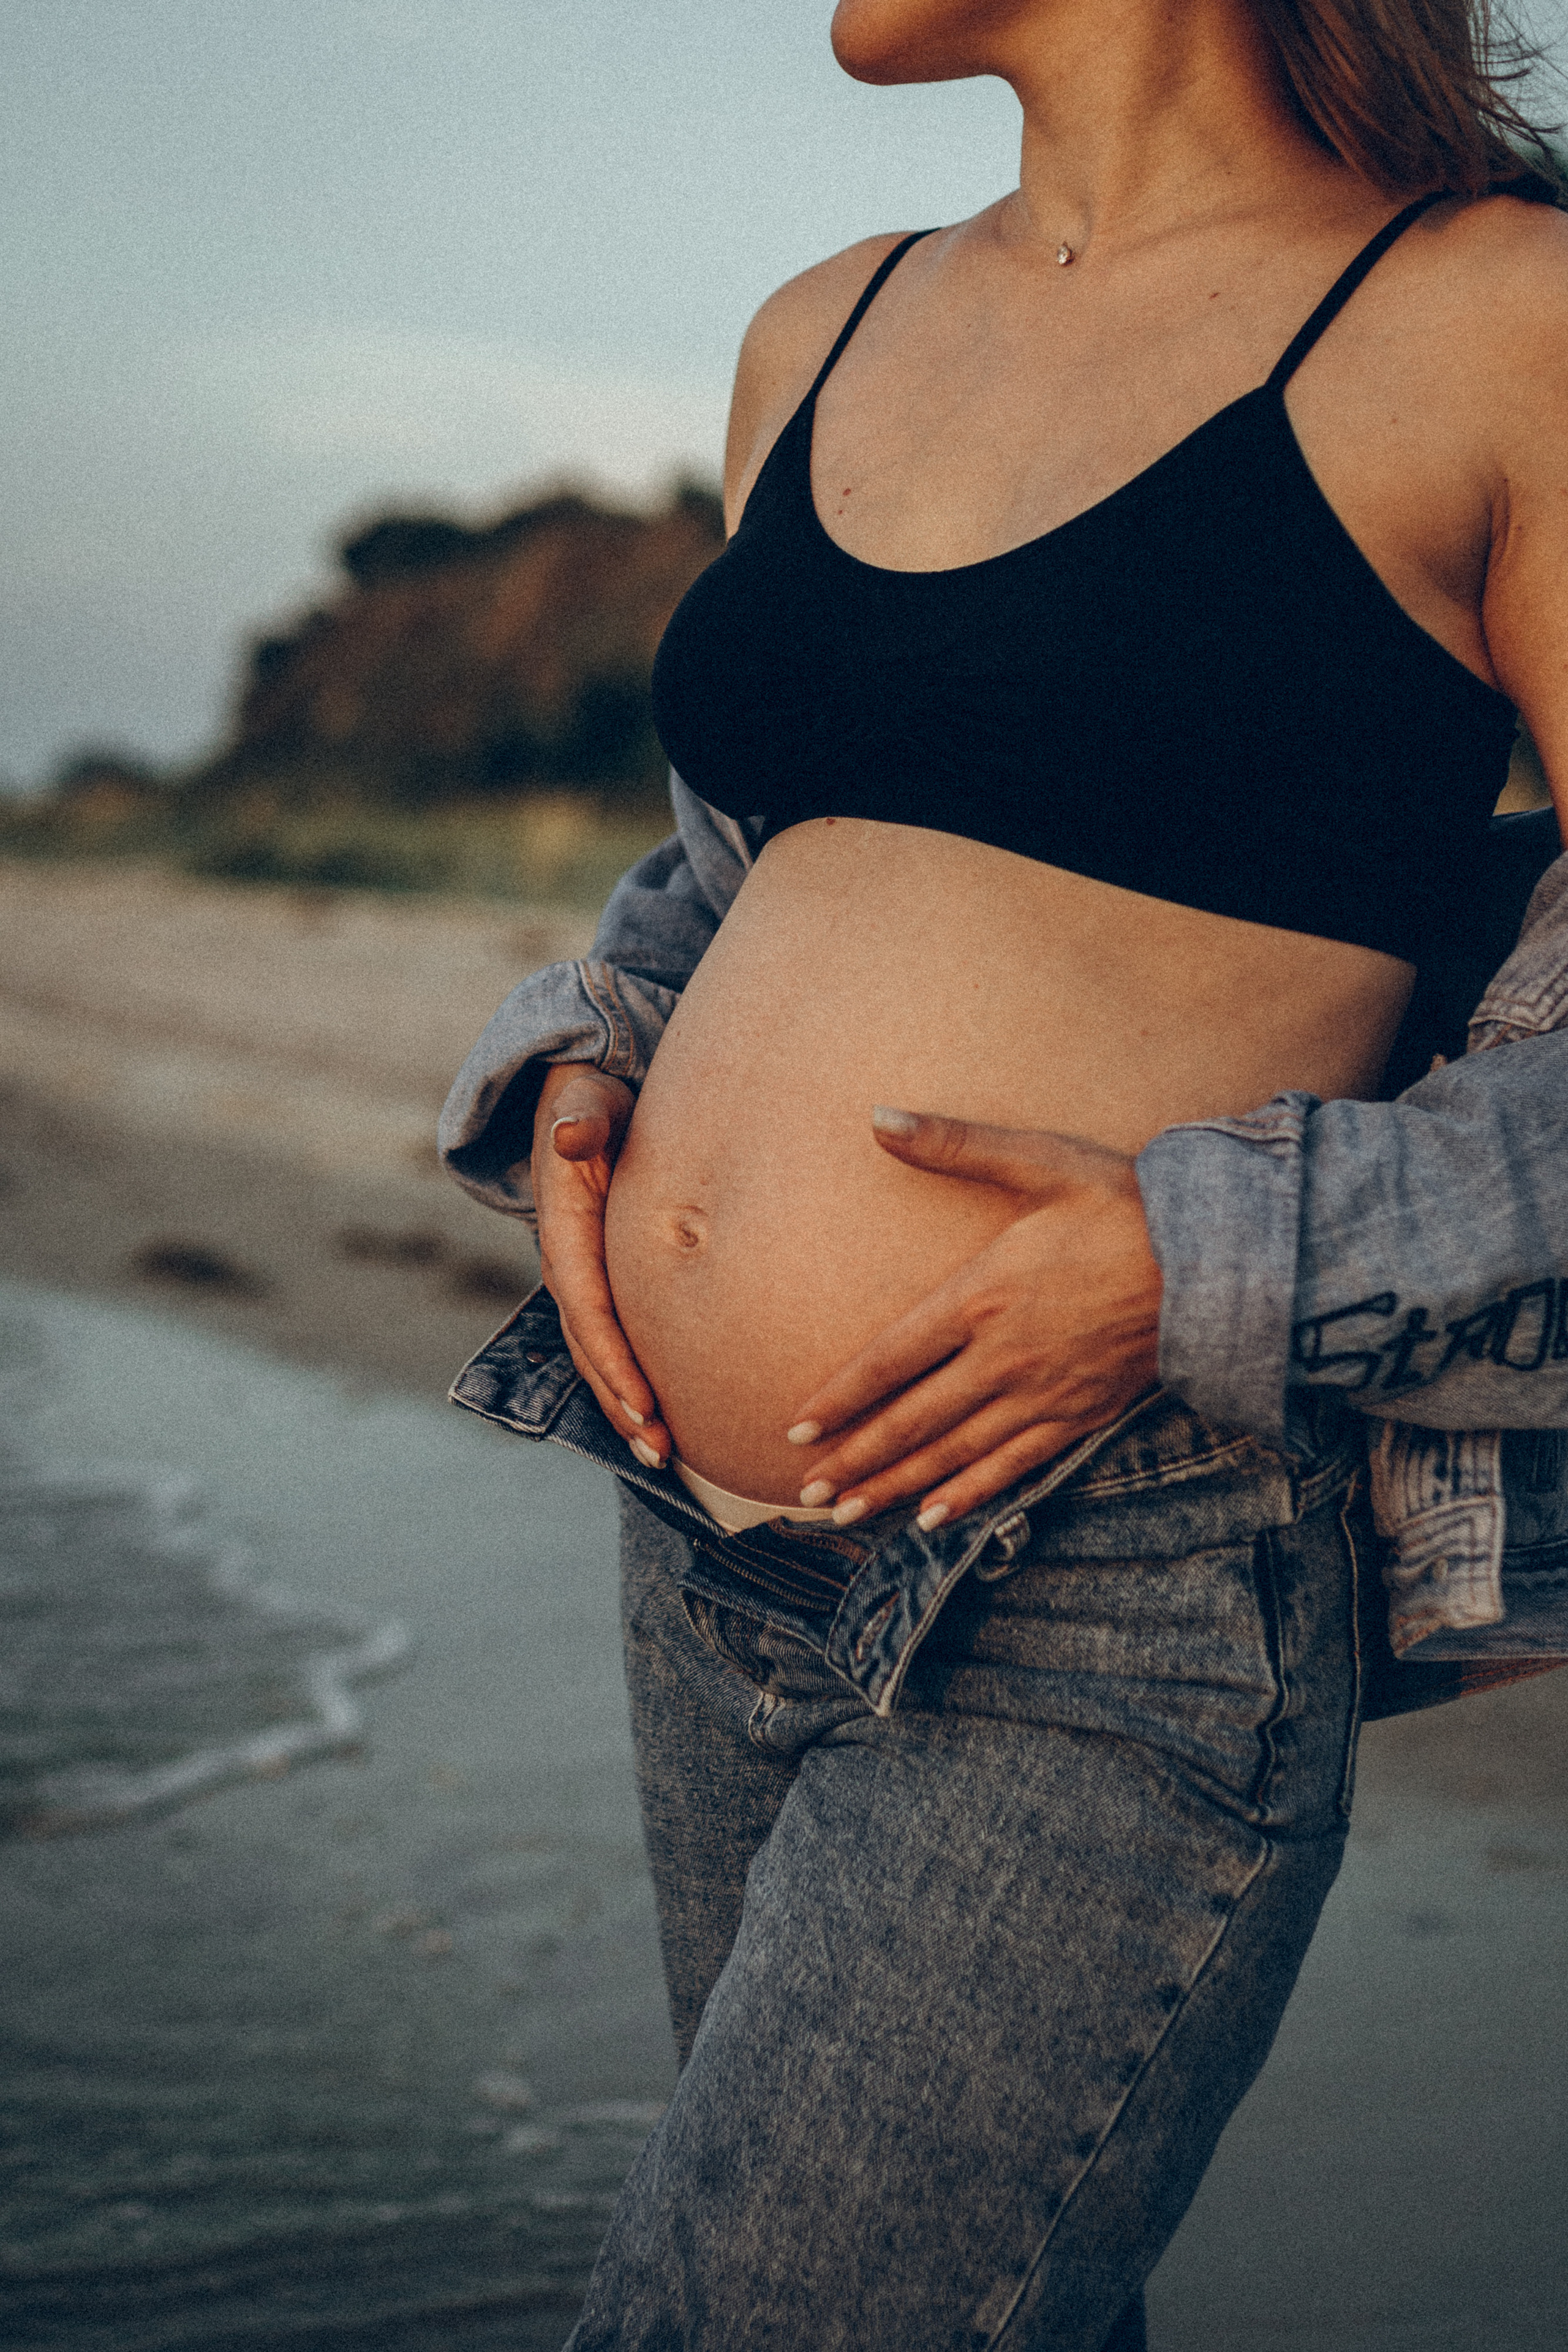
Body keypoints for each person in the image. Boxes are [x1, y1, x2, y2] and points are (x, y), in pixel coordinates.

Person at [443, 4, 1568, 2343]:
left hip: (1109, 1571)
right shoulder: (820, 325)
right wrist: (589, 1063)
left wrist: (1203, 1257)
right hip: (693, 1553)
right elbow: (731, 881)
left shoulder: (1490, 321)